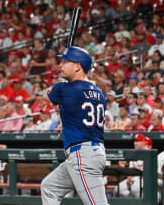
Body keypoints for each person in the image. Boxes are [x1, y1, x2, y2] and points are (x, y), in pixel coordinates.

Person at [41, 46, 109, 205]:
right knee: (49, 187)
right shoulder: (98, 92)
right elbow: (72, 112)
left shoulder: (65, 88)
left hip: (82, 154)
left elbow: (46, 97)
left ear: (77, 66)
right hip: (91, 151)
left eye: (65, 62)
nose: (61, 65)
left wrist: (58, 84)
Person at [115, 134, 149, 198]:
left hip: (145, 178)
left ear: (144, 142)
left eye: (138, 141)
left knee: (135, 188)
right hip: (135, 177)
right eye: (135, 141)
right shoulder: (133, 153)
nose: (135, 143)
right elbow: (131, 169)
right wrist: (129, 176)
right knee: (118, 189)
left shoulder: (149, 152)